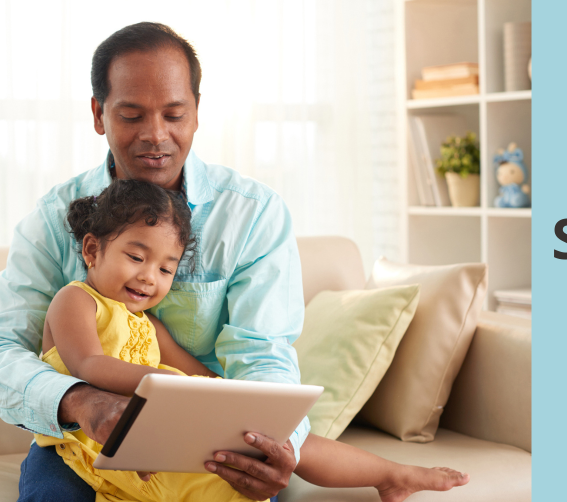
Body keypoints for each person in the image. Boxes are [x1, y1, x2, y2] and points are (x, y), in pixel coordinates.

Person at [0, 22, 458, 501]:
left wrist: (264, 434)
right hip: (86, 434)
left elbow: (261, 356)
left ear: (197, 111)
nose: (155, 135)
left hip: (210, 434)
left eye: (174, 115)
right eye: (132, 115)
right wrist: (81, 401)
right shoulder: (53, 220)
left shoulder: (253, 215)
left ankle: (390, 475)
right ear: (98, 114)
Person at [33, 178, 468, 502]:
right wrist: (163, 385)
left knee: (283, 443)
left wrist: (234, 400)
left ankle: (389, 475)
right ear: (91, 250)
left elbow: (194, 370)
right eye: (135, 257)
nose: (150, 277)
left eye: (166, 269)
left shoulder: (148, 322)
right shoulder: (76, 301)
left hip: (168, 417)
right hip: (106, 436)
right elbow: (88, 366)